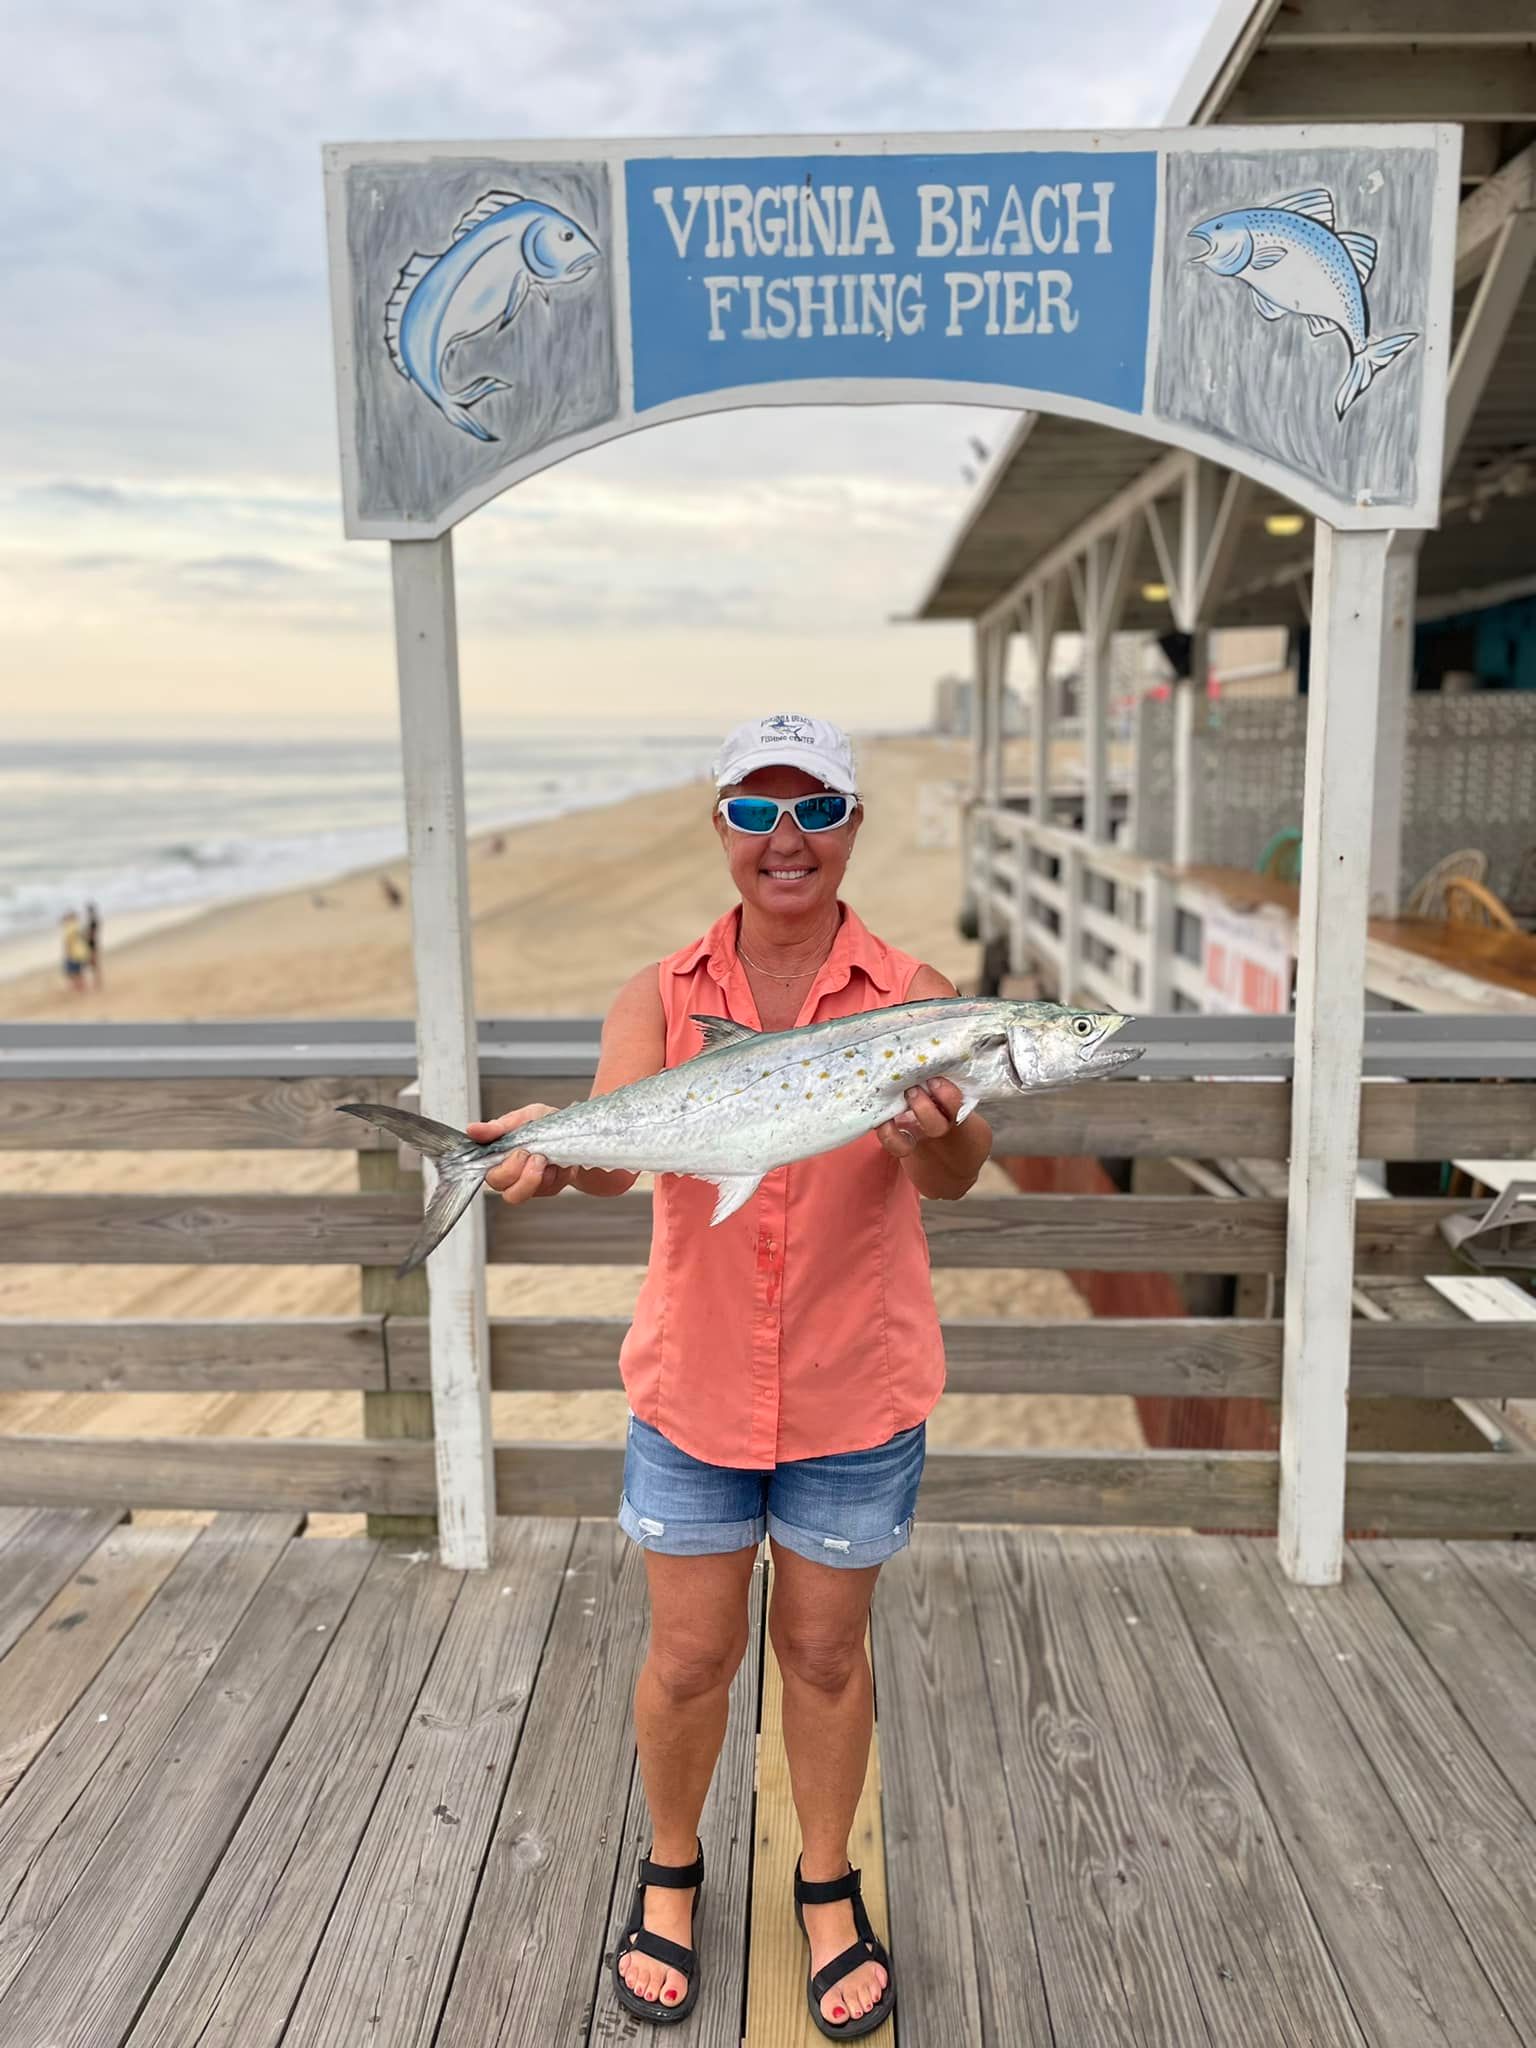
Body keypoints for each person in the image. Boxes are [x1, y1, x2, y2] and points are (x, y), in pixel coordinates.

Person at [467, 713, 991, 2035]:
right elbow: (616, 1152)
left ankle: (825, 1883)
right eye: (755, 813)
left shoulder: (915, 994)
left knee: (824, 1654)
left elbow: (956, 1170)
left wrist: (934, 1128)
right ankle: (675, 1866)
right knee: (692, 1657)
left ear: (853, 824)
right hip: (695, 1387)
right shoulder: (659, 993)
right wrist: (557, 1149)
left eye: (813, 809)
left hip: (851, 1384)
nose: (785, 839)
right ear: (721, 830)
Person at [60, 911, 91, 994]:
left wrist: (68, 953)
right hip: (82, 953)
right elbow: (86, 938)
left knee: (73, 973)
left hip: (73, 954)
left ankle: (78, 989)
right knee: (79, 973)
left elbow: (67, 943)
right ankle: (83, 989)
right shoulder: (78, 927)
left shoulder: (69, 928)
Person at [84, 902, 101, 990]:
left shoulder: (93, 921)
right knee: (93, 965)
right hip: (92, 944)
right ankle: (96, 982)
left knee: (94, 965)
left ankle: (97, 983)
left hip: (92, 945)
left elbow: (92, 934)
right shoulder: (93, 920)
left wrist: (85, 936)